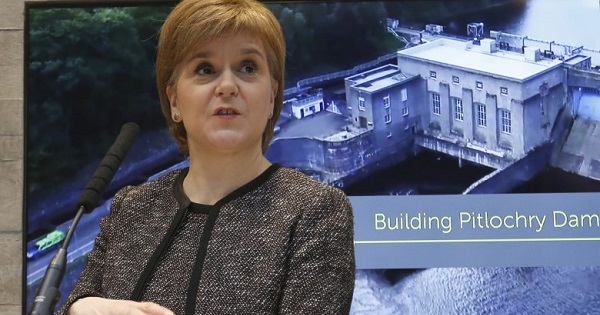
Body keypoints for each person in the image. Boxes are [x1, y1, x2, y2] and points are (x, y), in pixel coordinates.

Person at [58, 0, 355, 314]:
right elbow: (74, 304)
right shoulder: (129, 208)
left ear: (271, 97)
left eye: (248, 67)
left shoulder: (316, 212)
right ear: (174, 101)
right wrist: (79, 310)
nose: (227, 86)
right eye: (205, 69)